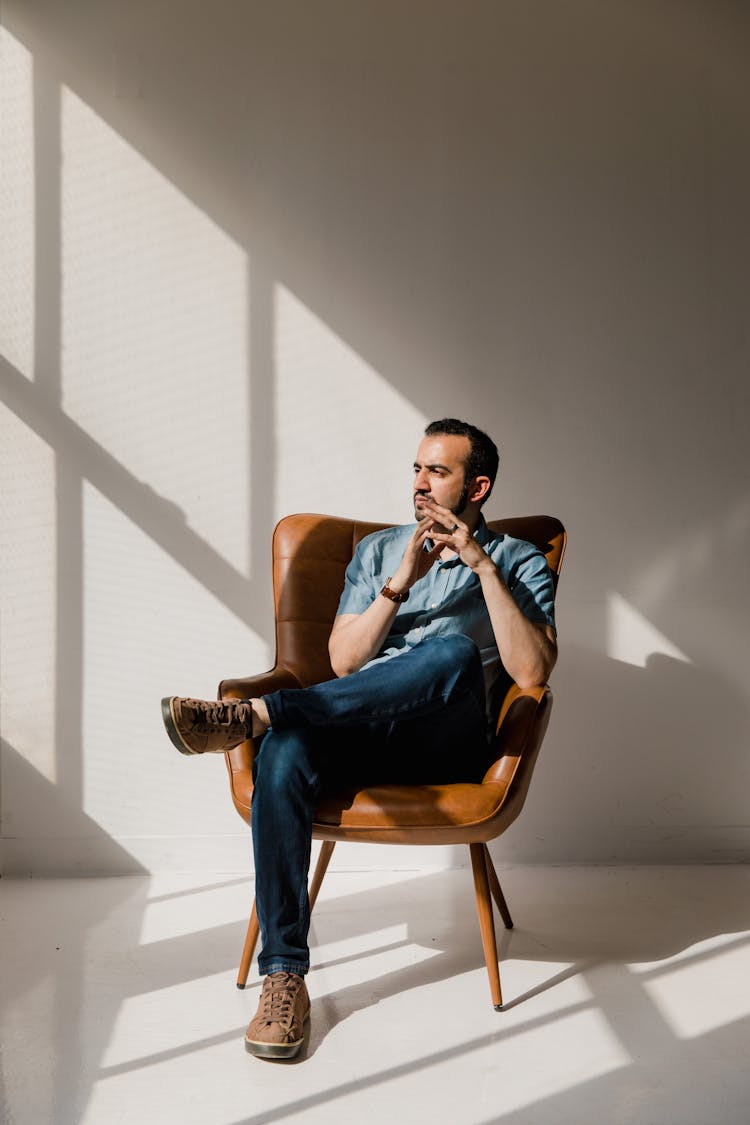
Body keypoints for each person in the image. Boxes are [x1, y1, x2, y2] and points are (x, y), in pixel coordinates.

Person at [161, 418, 557, 1059]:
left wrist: (481, 566)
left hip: (447, 742)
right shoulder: (379, 551)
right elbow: (346, 662)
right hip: (362, 723)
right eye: (416, 469)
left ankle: (262, 714)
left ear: (478, 486)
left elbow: (533, 672)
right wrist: (401, 578)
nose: (420, 485)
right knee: (286, 752)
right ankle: (284, 975)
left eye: (438, 472)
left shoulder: (518, 559)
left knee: (451, 652)